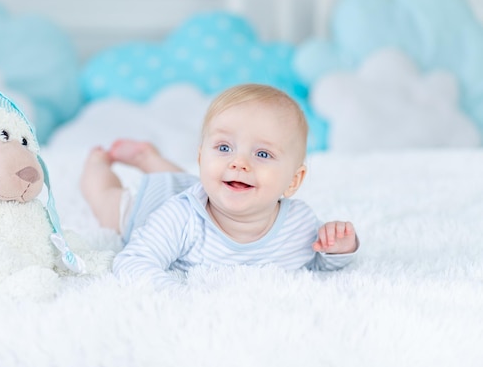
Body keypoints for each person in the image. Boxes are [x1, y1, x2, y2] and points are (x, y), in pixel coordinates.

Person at [80, 83, 359, 288]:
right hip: (148, 204)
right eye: (224, 147)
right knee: (104, 198)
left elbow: (319, 264)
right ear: (201, 157)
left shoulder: (298, 224)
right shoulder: (181, 218)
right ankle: (98, 165)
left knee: (204, 181)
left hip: (203, 187)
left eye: (262, 154)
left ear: (293, 181)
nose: (239, 162)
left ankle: (149, 157)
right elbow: (134, 261)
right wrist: (171, 295)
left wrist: (339, 247)